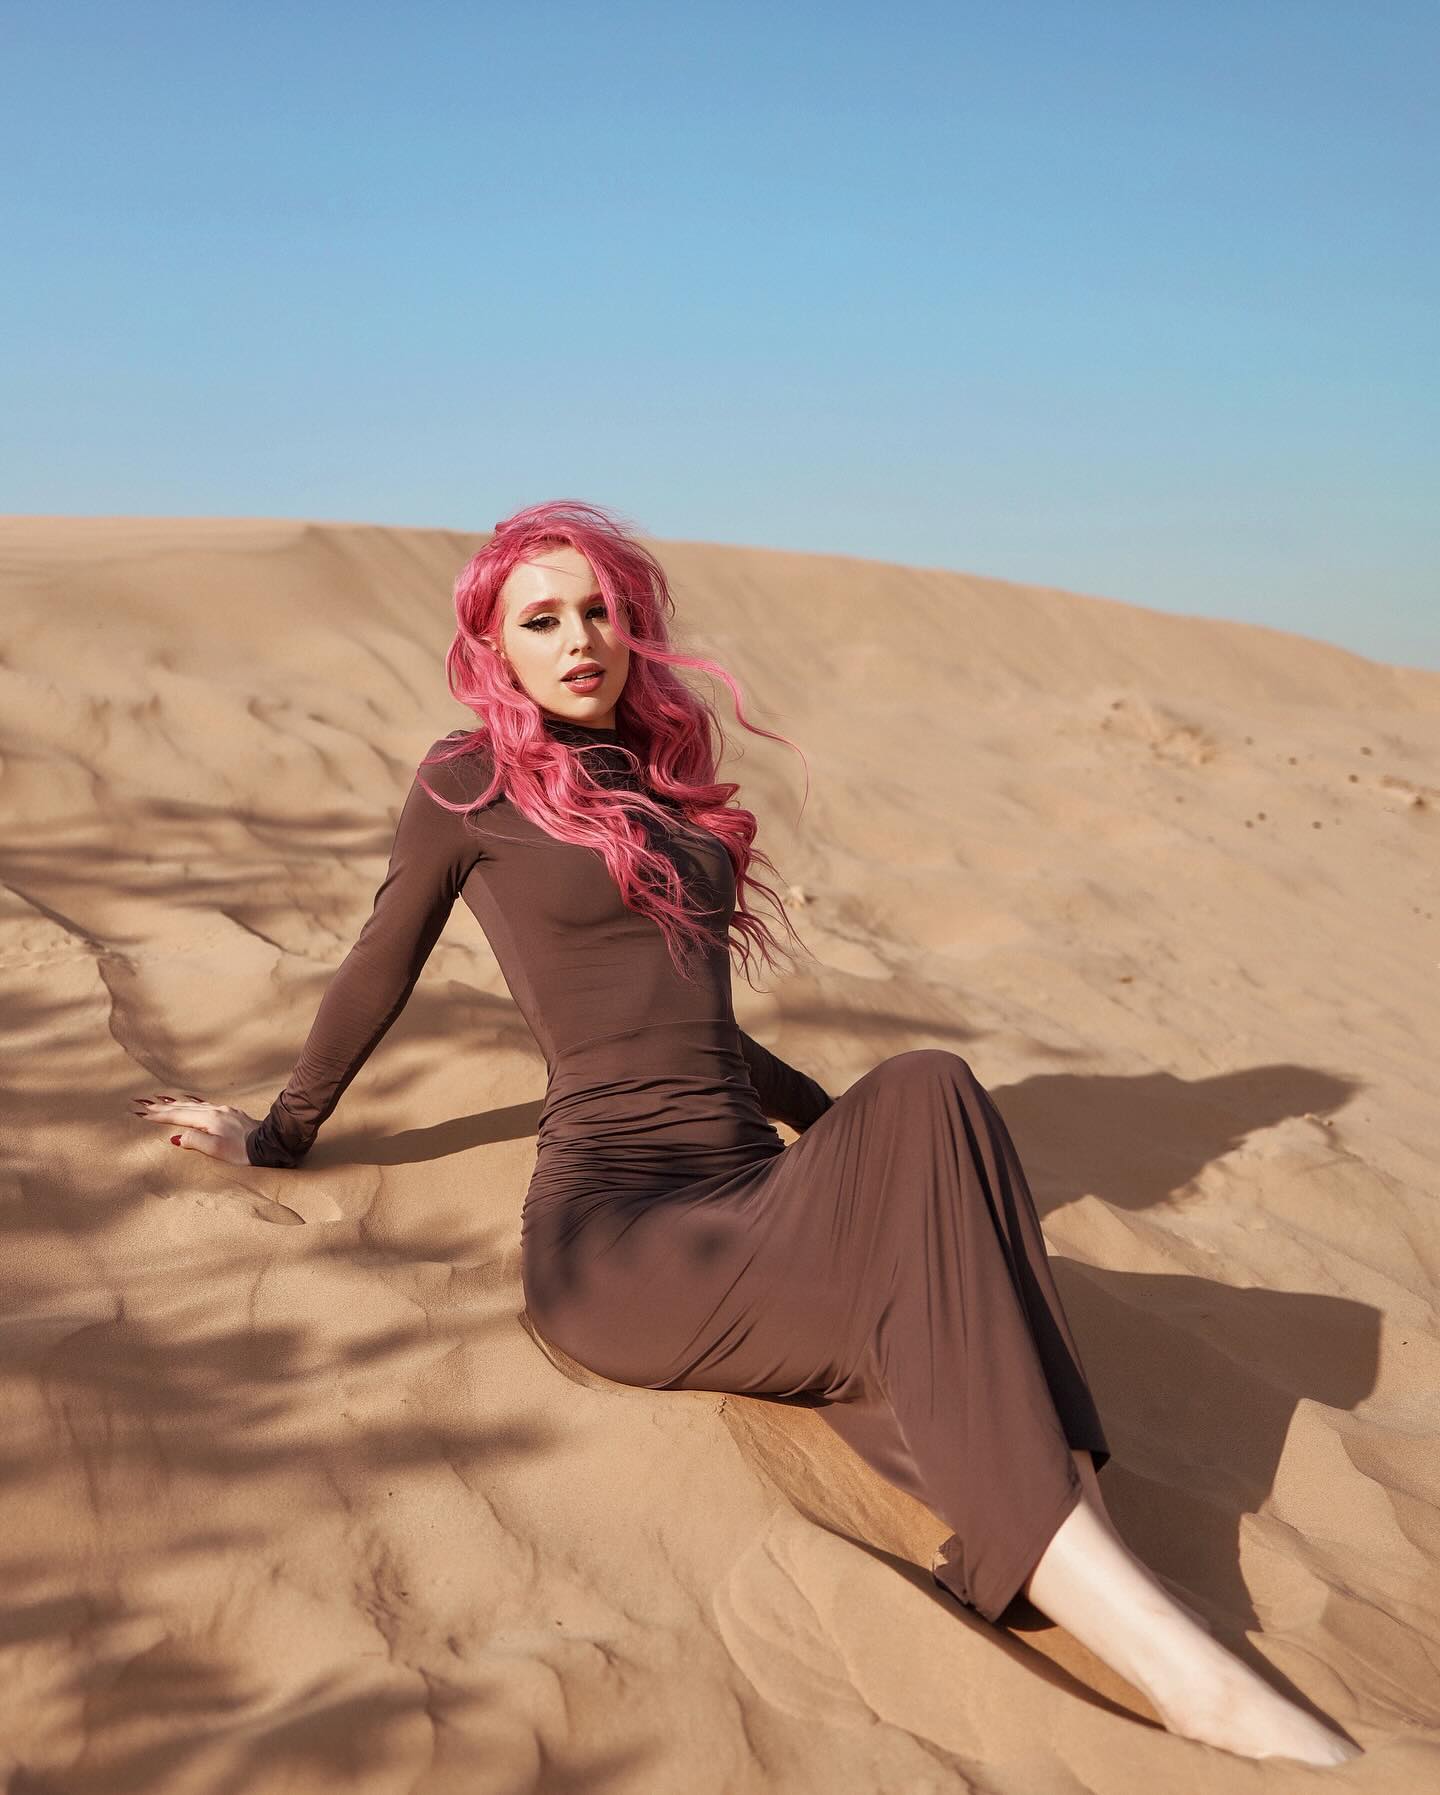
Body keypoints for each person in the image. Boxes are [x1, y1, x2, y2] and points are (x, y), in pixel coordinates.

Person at [131, 499, 1361, 1768]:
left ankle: (1109, 1591)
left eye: (600, 611)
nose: (579, 640)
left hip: (748, 1186)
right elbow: (377, 965)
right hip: (618, 1238)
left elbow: (703, 1030)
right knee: (933, 1167)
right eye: (541, 621)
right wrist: (278, 1134)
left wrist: (851, 1136)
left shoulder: (657, 779)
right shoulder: (469, 781)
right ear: (493, 646)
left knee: (931, 1096)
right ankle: (1184, 1671)